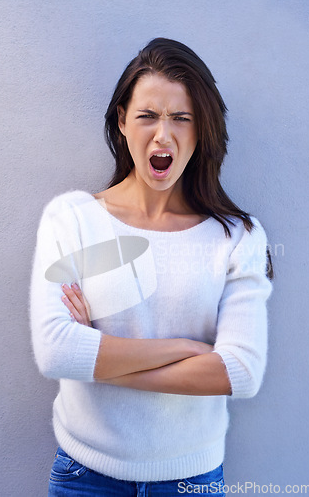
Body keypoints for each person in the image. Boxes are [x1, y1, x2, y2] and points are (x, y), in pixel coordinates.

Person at [30, 38, 273, 496]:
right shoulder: (72, 219)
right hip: (86, 477)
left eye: (181, 118)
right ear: (122, 121)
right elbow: (56, 352)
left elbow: (240, 372)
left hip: (191, 480)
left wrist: (99, 358)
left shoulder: (238, 236)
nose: (163, 135)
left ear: (201, 129)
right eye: (147, 116)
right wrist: (186, 348)